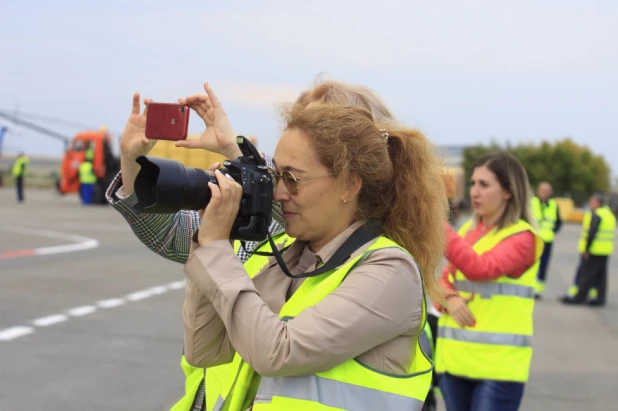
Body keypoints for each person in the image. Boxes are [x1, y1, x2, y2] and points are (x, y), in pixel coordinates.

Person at [106, 79, 442, 410]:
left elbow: (278, 352)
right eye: (277, 176)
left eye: (291, 178)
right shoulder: (286, 251)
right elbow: (204, 349)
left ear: (352, 177)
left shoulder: (388, 268)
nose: (280, 193)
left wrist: (216, 249)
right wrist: (207, 237)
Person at [434, 152, 544, 411]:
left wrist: (436, 225)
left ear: (508, 191)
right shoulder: (467, 233)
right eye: (472, 183)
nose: (474, 192)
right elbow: (441, 282)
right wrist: (449, 298)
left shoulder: (524, 238)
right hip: (455, 362)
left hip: (498, 369)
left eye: (484, 184)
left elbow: (480, 268)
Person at [561, 193, 616, 307]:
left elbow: (591, 233)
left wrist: (586, 249)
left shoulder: (597, 215)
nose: (590, 204)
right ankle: (600, 299)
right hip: (605, 250)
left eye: (592, 202)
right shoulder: (609, 214)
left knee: (586, 275)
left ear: (598, 203)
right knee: (601, 276)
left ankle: (580, 297)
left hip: (594, 250)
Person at [530, 181, 562, 298]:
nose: (544, 193)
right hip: (533, 239)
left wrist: (552, 231)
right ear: (538, 191)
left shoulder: (554, 205)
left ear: (550, 192)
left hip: (547, 241)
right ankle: (530, 287)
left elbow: (558, 222)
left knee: (543, 266)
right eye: (542, 190)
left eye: (546, 191)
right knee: (531, 265)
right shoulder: (531, 203)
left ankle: (538, 290)